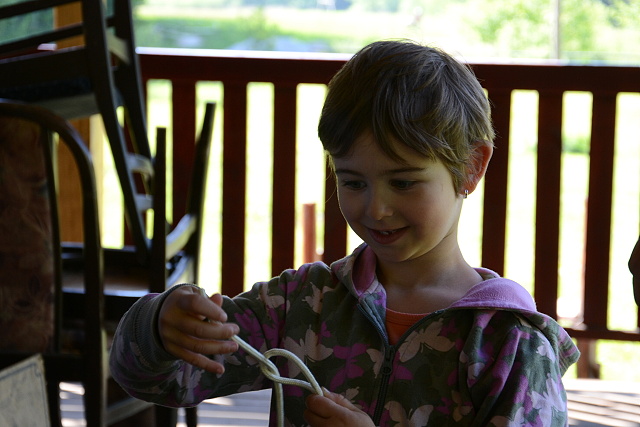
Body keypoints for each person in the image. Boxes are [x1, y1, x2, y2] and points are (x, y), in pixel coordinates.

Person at [110, 40, 580, 426]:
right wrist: (159, 327)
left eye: (403, 182)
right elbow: (159, 381)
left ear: (471, 167)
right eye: (353, 181)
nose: (375, 208)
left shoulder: (507, 345)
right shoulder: (303, 304)